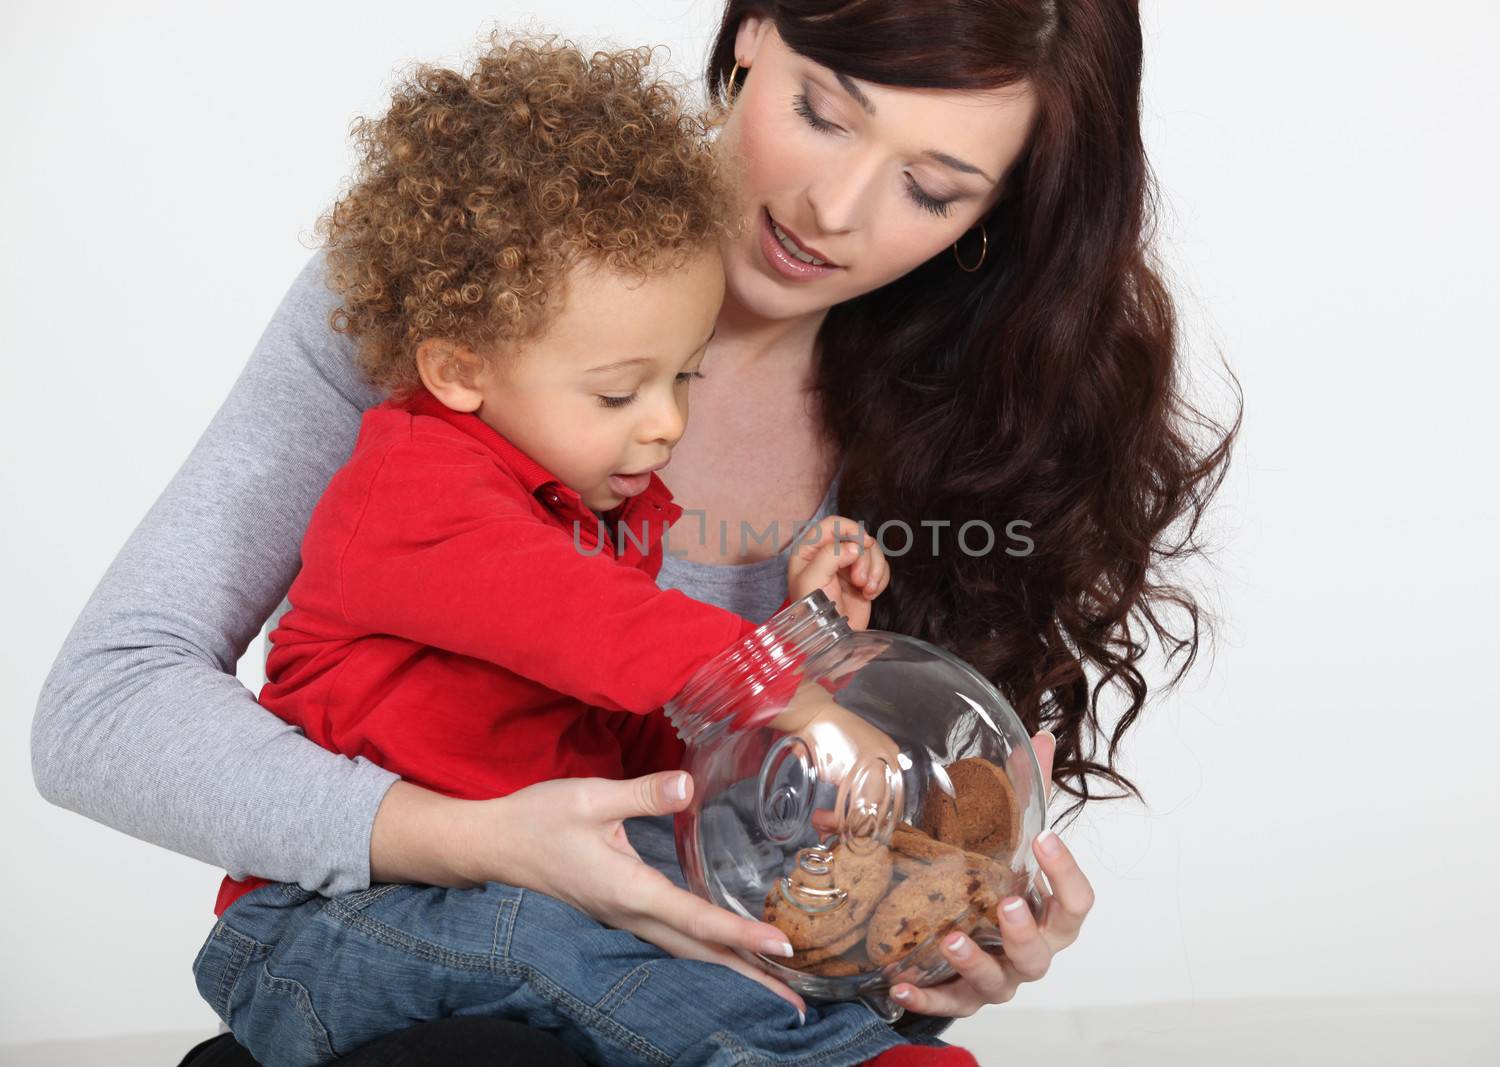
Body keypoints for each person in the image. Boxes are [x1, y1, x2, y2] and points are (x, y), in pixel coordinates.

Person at [34, 1, 1233, 1063]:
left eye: (931, 189)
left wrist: (927, 940)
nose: (833, 207)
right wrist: (479, 839)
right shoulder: (464, 292)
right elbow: (106, 708)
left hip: (689, 1000)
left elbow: (768, 824)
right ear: (753, 28)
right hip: (403, 955)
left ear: (997, 216)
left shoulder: (972, 430)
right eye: (823, 111)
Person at [193, 37, 938, 1067]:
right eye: (617, 391)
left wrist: (799, 642)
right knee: (560, 948)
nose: (664, 424)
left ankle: (853, 1044)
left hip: (500, 902)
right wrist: (770, 687)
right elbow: (580, 620)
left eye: (683, 379)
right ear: (460, 366)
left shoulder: (594, 516)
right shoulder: (414, 491)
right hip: (320, 925)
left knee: (710, 932)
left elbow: (646, 754)